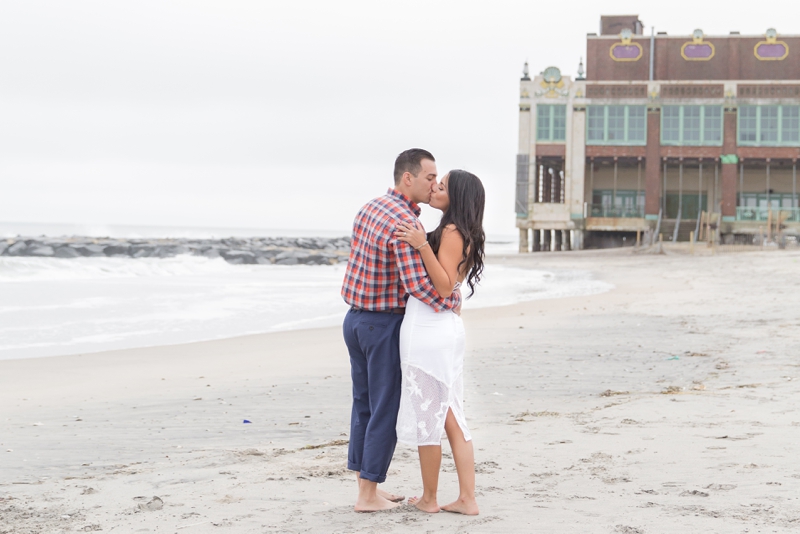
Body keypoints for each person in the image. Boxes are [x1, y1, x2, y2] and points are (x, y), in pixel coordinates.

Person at [341, 148, 462, 512]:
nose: (434, 184)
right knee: (385, 409)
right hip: (382, 324)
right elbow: (418, 286)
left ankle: (366, 485)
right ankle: (367, 495)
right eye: (429, 178)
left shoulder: (370, 206)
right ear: (407, 178)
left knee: (364, 404)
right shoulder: (406, 223)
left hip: (354, 320)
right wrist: (451, 300)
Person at [394, 169, 485, 515]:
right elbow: (453, 288)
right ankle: (466, 498)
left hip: (429, 331)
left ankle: (430, 499)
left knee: (430, 417)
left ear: (456, 197)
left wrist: (420, 246)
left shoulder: (450, 231)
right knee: (450, 415)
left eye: (442, 186)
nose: (434, 188)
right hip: (443, 331)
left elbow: (445, 285)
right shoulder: (461, 231)